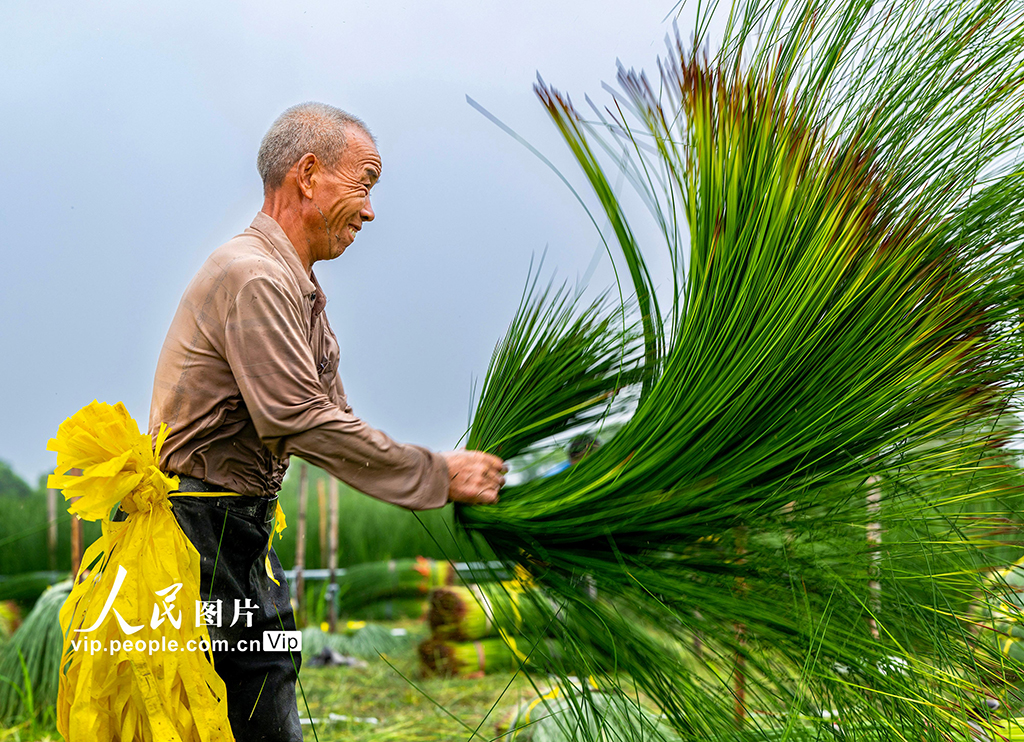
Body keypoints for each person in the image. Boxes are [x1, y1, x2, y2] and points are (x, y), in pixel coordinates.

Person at [144, 102, 506, 742]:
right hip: (195, 541)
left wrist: (442, 473)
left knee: (263, 690)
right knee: (244, 709)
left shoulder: (296, 287)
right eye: (364, 182)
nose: (370, 210)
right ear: (307, 174)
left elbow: (332, 418)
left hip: (236, 533)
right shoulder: (253, 277)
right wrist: (436, 474)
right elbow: (299, 420)